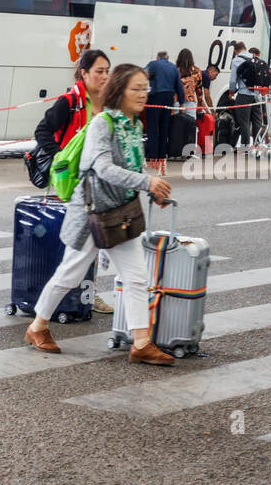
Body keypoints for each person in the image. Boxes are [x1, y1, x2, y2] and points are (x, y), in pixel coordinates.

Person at [24, 63, 175, 365]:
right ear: (119, 91)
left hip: (120, 213)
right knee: (71, 273)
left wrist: (151, 191)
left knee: (135, 277)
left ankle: (141, 343)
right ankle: (37, 326)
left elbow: (130, 168)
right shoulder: (102, 124)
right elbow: (103, 168)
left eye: (145, 88)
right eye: (136, 88)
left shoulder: (134, 126)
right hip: (92, 214)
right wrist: (148, 182)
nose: (143, 94)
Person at [33, 48, 114, 314]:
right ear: (84, 73)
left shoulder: (109, 104)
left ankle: (86, 295)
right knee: (80, 244)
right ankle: (60, 302)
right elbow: (42, 131)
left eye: (107, 71)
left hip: (98, 183)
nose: (104, 76)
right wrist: (60, 158)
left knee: (94, 242)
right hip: (71, 185)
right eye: (99, 71)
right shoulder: (70, 102)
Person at [144, 50, 185, 175]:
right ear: (167, 57)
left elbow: (143, 74)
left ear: (157, 57)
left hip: (155, 98)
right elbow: (179, 85)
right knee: (164, 129)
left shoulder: (153, 64)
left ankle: (152, 157)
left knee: (152, 127)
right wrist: (182, 101)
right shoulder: (173, 67)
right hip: (168, 99)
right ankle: (162, 157)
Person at [228, 42, 262, 152]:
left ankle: (245, 147)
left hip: (244, 94)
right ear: (245, 48)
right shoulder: (254, 58)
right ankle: (257, 145)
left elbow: (233, 80)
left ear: (235, 51)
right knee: (256, 122)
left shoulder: (236, 60)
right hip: (257, 95)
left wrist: (231, 91)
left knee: (244, 122)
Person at [176, 49, 203, 120]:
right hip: (190, 102)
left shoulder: (175, 70)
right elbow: (199, 90)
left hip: (176, 101)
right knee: (191, 125)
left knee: (175, 125)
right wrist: (200, 105)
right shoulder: (197, 71)